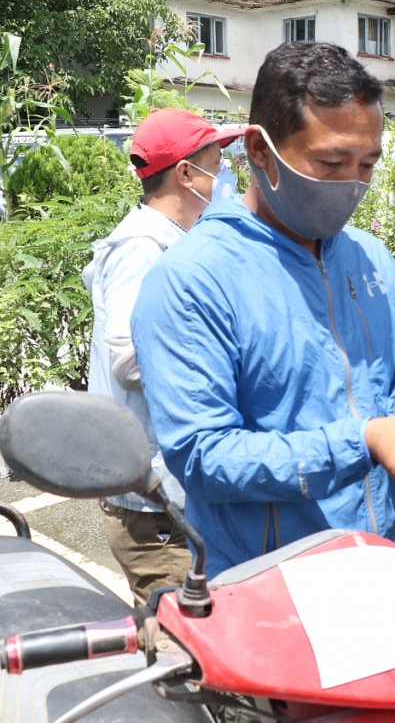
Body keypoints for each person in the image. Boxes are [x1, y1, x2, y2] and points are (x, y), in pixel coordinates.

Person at [130, 41, 395, 579]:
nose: (354, 184)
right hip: (268, 585)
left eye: (368, 163)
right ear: (259, 152)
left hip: (378, 562)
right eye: (331, 162)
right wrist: (360, 442)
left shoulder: (368, 257)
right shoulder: (192, 280)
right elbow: (203, 457)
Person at [83, 108, 246, 606]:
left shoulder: (176, 240)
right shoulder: (142, 249)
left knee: (180, 634)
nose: (226, 175)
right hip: (152, 500)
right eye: (217, 163)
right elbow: (128, 361)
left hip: (171, 489)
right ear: (185, 173)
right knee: (185, 639)